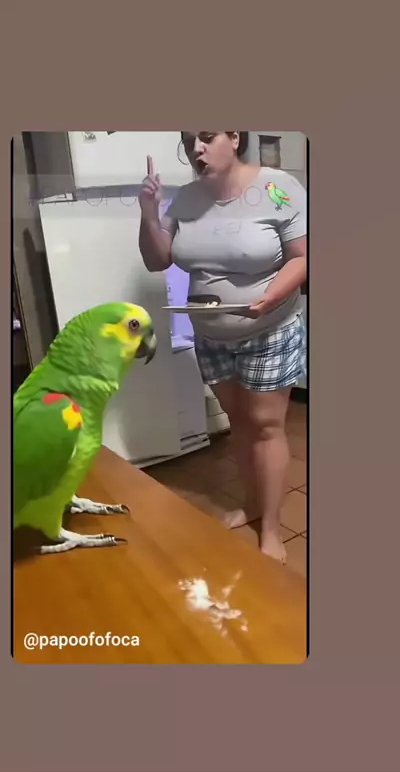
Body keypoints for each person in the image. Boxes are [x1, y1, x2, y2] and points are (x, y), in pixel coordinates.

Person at [138, 132, 307, 563]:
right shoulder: (187, 198)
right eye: (188, 140)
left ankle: (271, 529)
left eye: (206, 136)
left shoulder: (278, 188)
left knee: (266, 425)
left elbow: (302, 257)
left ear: (234, 138)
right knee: (240, 423)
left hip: (270, 329)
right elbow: (158, 260)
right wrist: (148, 214)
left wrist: (269, 298)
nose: (196, 147)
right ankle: (253, 504)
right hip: (211, 335)